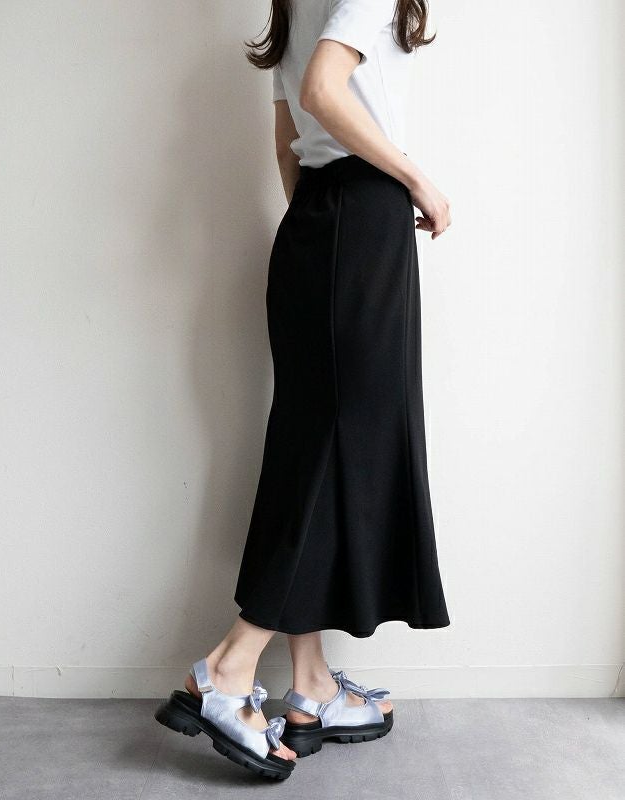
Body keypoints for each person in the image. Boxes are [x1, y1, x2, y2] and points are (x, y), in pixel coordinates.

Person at [155, 0, 451, 781]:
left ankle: (312, 684)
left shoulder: (291, 1)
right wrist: (414, 176)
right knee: (338, 452)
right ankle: (229, 667)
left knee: (312, 449)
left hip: (314, 225)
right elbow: (321, 91)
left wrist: (325, 229)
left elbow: (290, 135)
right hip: (365, 218)